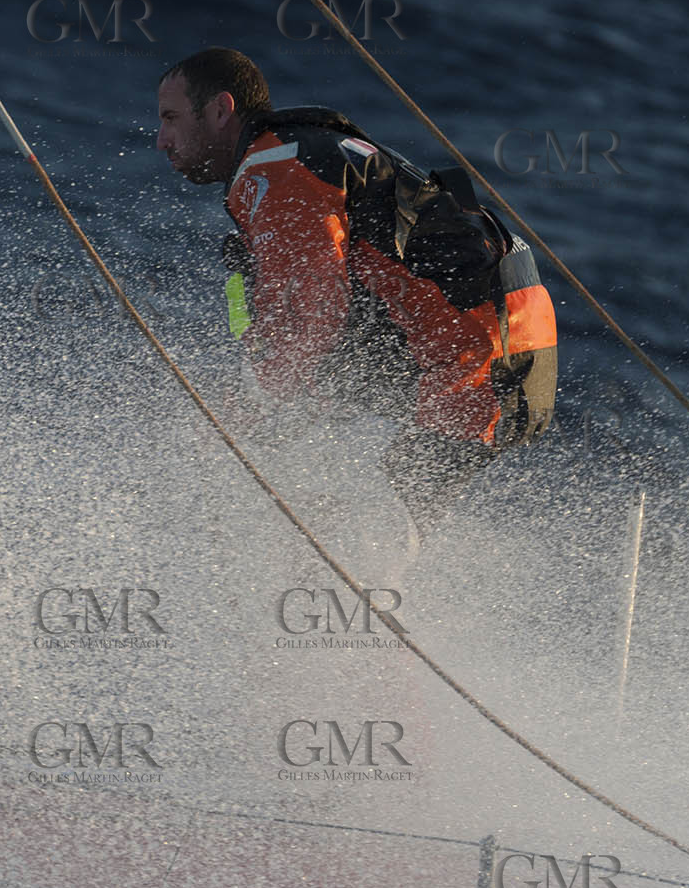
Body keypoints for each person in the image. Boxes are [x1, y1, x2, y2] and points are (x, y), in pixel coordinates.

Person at [155, 47, 557, 537]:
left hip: (479, 348)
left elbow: (316, 309)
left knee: (384, 523)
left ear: (220, 110)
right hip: (473, 327)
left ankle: (353, 586)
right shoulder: (293, 150)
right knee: (305, 447)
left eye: (171, 118)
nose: (162, 140)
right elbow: (294, 320)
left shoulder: (274, 167)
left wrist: (249, 402)